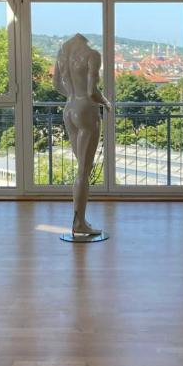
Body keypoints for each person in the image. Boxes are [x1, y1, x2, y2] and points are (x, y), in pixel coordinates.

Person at [54, 34, 111, 236]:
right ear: (85, 40)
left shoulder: (62, 55)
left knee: (82, 169)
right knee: (83, 173)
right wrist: (106, 103)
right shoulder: (91, 54)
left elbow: (56, 86)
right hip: (86, 109)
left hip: (69, 108)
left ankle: (80, 219)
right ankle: (79, 223)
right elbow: (92, 91)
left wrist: (71, 95)